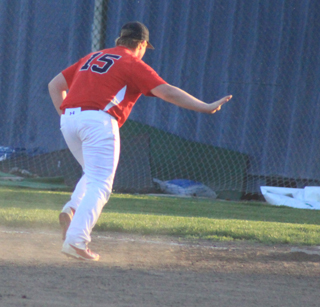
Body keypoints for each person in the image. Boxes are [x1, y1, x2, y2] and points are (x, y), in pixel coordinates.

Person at [48, 21, 232, 261]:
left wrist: (67, 116)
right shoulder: (131, 62)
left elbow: (55, 85)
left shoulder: (94, 56)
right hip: (98, 120)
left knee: (91, 173)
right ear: (142, 44)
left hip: (69, 119)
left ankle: (72, 208)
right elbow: (167, 91)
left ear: (119, 40)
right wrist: (205, 107)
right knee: (101, 184)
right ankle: (76, 240)